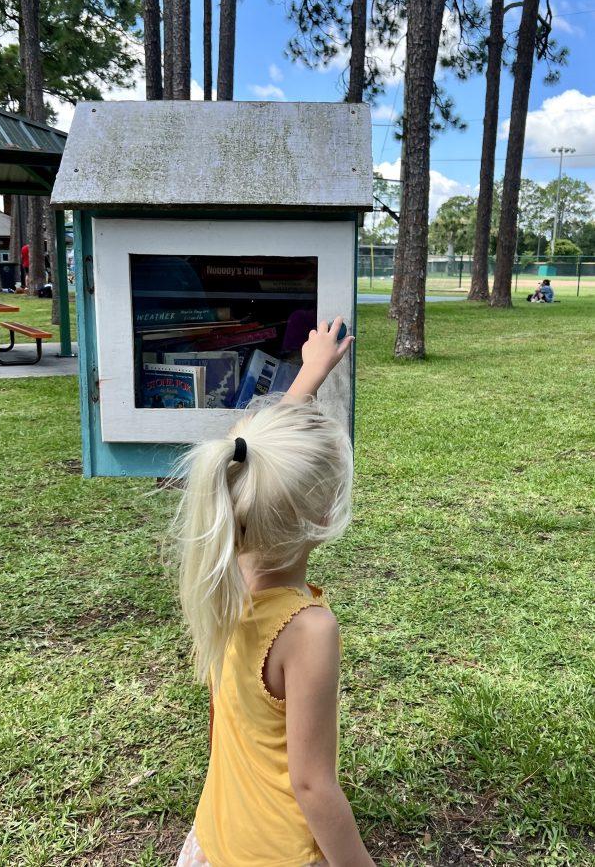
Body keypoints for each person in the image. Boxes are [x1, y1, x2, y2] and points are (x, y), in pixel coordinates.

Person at [174, 317, 377, 867]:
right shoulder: (309, 630)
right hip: (275, 854)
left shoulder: (227, 565)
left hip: (219, 835)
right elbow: (314, 787)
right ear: (325, 513)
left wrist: (310, 375)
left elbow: (257, 455)